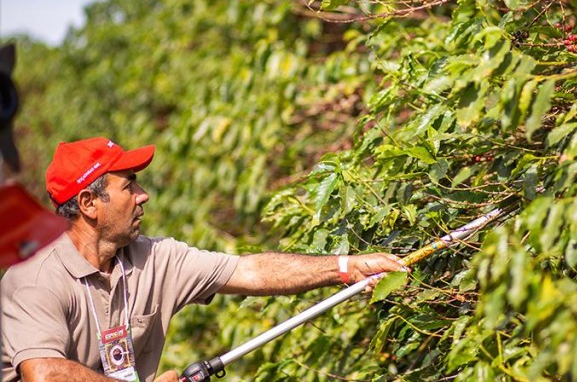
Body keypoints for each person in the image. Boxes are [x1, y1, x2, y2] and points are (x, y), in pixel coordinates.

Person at [1, 137, 407, 382]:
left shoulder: (155, 257)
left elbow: (248, 270)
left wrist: (344, 267)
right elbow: (45, 373)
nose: (143, 195)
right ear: (89, 203)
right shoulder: (33, 278)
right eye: (130, 186)